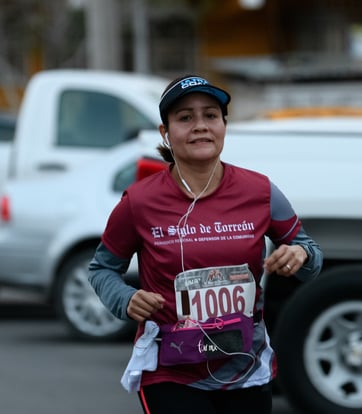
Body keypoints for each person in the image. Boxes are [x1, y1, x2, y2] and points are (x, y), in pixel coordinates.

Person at [88, 75, 323, 414]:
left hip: (245, 369)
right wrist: (125, 298)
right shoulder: (139, 201)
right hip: (170, 372)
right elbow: (102, 269)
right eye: (185, 118)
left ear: (224, 125)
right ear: (165, 133)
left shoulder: (260, 192)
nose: (200, 126)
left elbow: (312, 257)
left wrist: (300, 254)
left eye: (210, 115)